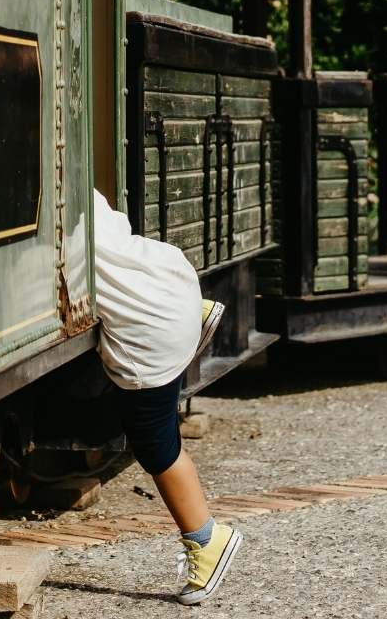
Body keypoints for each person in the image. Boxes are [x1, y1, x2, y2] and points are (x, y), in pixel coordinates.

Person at [91, 189, 240, 605]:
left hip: (149, 330)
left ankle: (208, 537)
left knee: (156, 444)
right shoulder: (70, 172)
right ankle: (191, 321)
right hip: (170, 274)